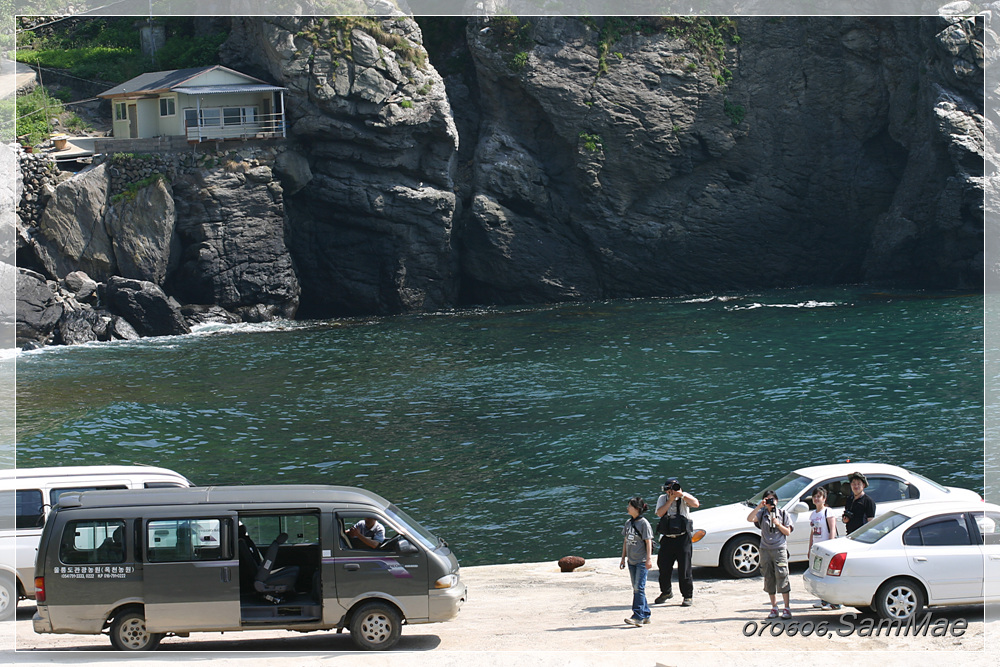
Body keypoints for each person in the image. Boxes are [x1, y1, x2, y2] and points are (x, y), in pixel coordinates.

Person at [747, 490, 793, 619]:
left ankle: (787, 607)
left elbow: (788, 532)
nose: (770, 502)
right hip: (765, 549)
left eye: (772, 499)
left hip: (779, 549)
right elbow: (750, 519)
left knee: (782, 576)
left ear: (777, 501)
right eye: (767, 500)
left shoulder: (783, 514)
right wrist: (759, 506)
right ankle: (774, 607)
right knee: (768, 577)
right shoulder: (762, 514)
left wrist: (778, 524)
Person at [654, 477, 700, 606]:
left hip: (683, 537)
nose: (671, 491)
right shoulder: (662, 499)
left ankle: (687, 596)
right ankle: (666, 592)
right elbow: (659, 513)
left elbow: (696, 504)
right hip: (667, 538)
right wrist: (670, 500)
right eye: (669, 489)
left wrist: (681, 495)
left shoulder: (684, 497)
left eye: (673, 488)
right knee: (663, 567)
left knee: (684, 569)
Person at [620, 496, 654, 627]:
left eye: (630, 506)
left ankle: (637, 616)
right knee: (637, 588)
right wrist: (623, 558)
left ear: (637, 509)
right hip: (631, 561)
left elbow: (648, 541)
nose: (627, 508)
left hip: (641, 561)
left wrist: (649, 559)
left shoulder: (644, 523)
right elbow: (625, 541)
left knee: (638, 588)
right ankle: (646, 614)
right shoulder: (628, 523)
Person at [807, 487, 840, 611]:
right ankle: (823, 600)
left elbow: (832, 529)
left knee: (828, 575)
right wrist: (810, 548)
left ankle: (834, 602)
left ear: (824, 499)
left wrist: (830, 546)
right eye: (814, 496)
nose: (816, 499)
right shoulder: (813, 514)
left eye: (819, 496)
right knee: (819, 574)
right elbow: (812, 533)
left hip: (826, 547)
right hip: (817, 548)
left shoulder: (828, 512)